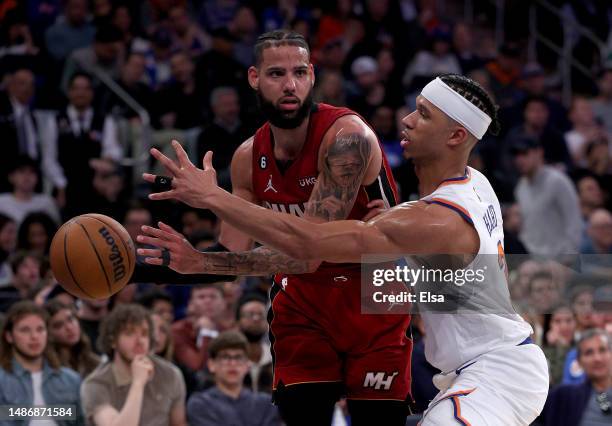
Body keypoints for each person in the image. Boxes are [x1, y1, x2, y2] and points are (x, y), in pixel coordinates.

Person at [142, 73, 550, 425]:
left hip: (496, 371)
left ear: (457, 136)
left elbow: (308, 243)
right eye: (415, 108)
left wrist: (214, 198)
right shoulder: (473, 183)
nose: (406, 120)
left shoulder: (438, 219)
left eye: (424, 114)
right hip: (494, 366)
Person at [140, 30, 411, 426]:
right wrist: (169, 265)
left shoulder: (348, 138)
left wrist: (214, 199)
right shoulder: (248, 156)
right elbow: (231, 256)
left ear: (313, 76)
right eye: (276, 73)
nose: (290, 85)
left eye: (300, 72)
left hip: (375, 290)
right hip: (304, 302)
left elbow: (312, 249)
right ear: (254, 77)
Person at [81, 304, 187, 426]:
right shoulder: (96, 384)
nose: (140, 341)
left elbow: (178, 423)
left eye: (144, 334)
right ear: (113, 341)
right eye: (129, 333)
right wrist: (138, 383)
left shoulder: (170, 374)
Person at [0, 301, 83, 425]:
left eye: (40, 329)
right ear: (9, 336)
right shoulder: (2, 382)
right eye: (25, 330)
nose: (34, 336)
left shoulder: (71, 380)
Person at [187, 331, 282, 426]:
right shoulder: (200, 404)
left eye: (238, 357)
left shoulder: (266, 404)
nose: (233, 364)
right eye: (225, 357)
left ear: (247, 365)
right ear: (211, 364)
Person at [539, 329, 612, 426]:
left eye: (602, 350)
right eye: (589, 353)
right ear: (579, 361)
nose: (597, 358)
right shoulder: (563, 396)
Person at [45, 299, 100, 378]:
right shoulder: (49, 368)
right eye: (59, 325)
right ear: (49, 334)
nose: (69, 328)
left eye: (70, 319)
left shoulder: (95, 362)